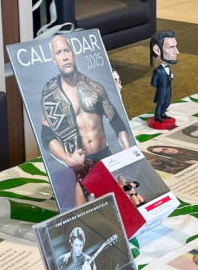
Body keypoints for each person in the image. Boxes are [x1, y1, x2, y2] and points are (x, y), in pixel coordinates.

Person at [40, 35, 133, 206]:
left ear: (73, 53)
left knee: (124, 206)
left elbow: (116, 122)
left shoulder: (94, 87)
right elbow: (46, 135)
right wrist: (67, 159)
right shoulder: (50, 94)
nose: (65, 56)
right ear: (54, 60)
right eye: (59, 53)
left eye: (67, 50)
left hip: (105, 157)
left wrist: (129, 153)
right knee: (85, 213)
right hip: (79, 164)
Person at [149, 30, 179, 125]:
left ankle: (162, 113)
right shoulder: (157, 71)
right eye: (171, 47)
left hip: (168, 89)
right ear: (157, 50)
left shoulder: (168, 67)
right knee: (160, 103)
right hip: (161, 90)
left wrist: (170, 77)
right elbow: (153, 83)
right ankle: (158, 116)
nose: (177, 52)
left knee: (167, 102)